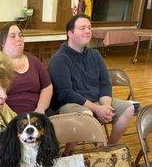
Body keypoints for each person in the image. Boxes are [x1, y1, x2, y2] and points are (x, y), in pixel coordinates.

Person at [48, 14, 134, 145]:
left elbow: (105, 83)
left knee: (129, 108)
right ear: (70, 33)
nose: (87, 31)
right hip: (70, 104)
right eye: (82, 28)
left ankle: (108, 147)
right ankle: (69, 151)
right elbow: (66, 93)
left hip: (97, 101)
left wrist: (106, 106)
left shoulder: (95, 54)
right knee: (86, 114)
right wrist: (96, 109)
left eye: (89, 27)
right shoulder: (59, 59)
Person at [0, 22, 53, 114]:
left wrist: (40, 109)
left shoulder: (34, 61)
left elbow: (47, 87)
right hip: (9, 116)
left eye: (20, 35)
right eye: (13, 36)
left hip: (37, 113)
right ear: (2, 42)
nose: (18, 39)